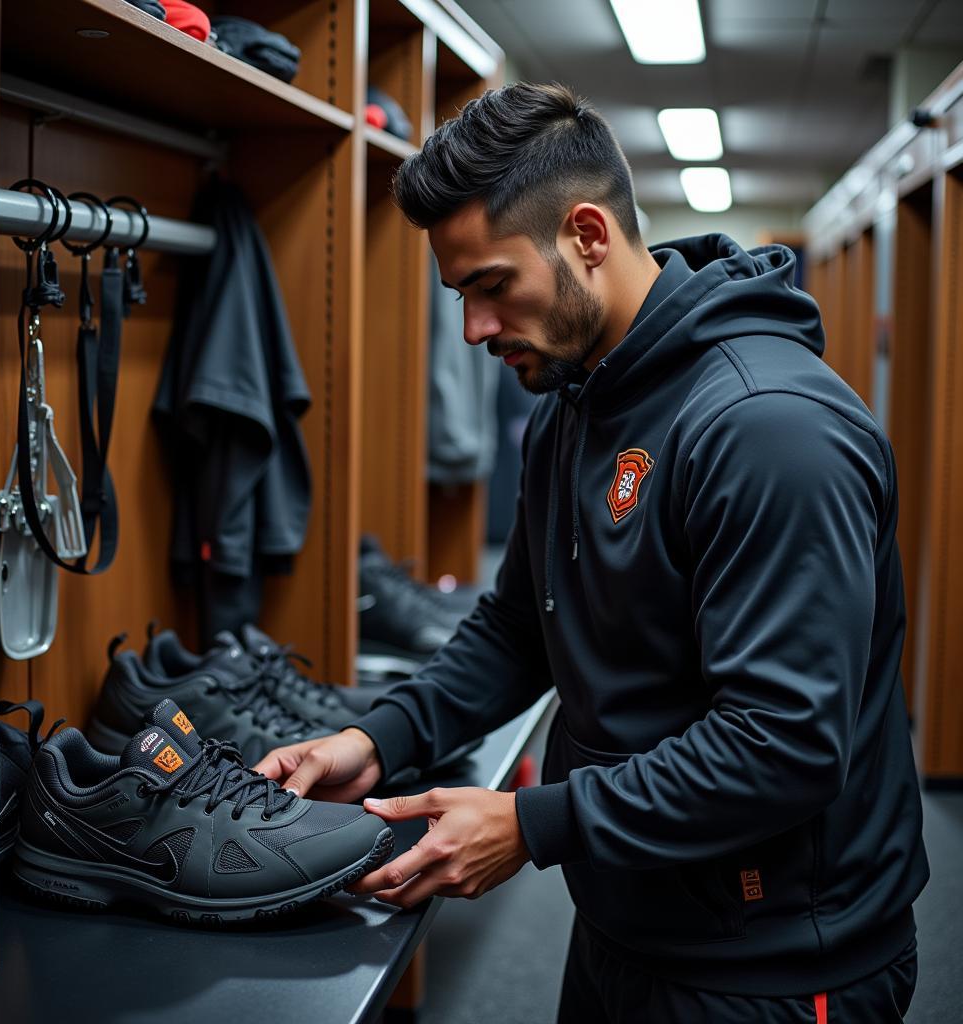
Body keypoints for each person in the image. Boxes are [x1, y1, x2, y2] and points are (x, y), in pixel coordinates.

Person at [255, 82, 928, 1023]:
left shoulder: (768, 431)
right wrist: (381, 738)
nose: (474, 330)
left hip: (773, 963)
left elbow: (784, 744)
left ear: (586, 234)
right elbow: (520, 627)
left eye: (493, 286)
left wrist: (536, 825)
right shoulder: (576, 400)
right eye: (460, 295)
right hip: (628, 912)